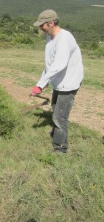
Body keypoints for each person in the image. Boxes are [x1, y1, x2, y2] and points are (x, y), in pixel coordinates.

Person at [31, 10, 84, 154]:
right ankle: (58, 136)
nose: (40, 28)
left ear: (51, 23)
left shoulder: (64, 38)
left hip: (69, 82)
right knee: (56, 110)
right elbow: (50, 64)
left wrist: (40, 85)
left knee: (60, 116)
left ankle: (61, 148)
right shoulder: (50, 38)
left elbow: (59, 65)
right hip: (60, 82)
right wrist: (42, 82)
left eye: (42, 25)